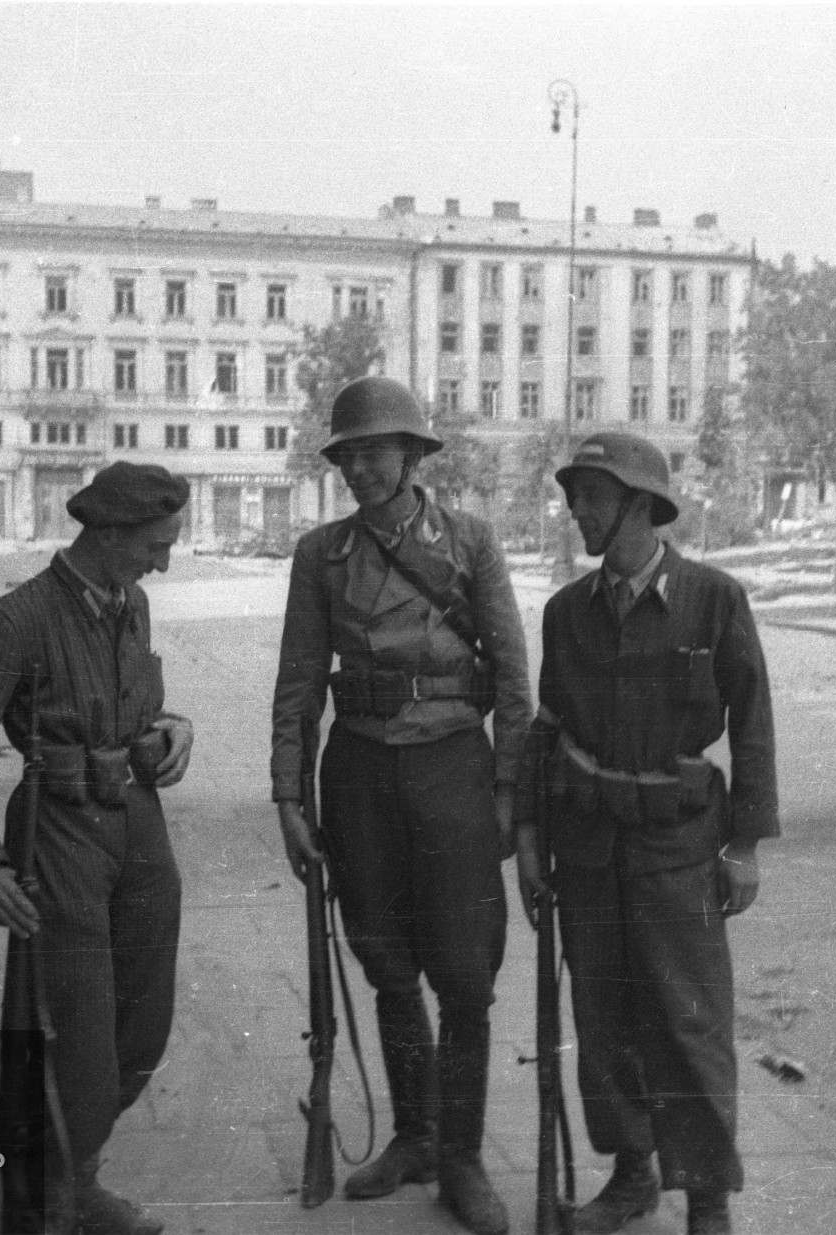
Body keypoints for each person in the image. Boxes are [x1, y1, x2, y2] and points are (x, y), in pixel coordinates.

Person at [269, 376, 530, 1235]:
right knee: (385, 960)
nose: (359, 469)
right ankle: (415, 1136)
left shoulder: (469, 540)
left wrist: (509, 788)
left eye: (375, 452)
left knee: (464, 972)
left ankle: (463, 1156)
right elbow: (299, 682)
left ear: (413, 455)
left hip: (452, 768)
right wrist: (288, 794)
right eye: (347, 456)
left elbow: (513, 674)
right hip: (361, 774)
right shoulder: (321, 553)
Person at [0, 463, 195, 1235]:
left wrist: (172, 729)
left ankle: (78, 1174)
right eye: (154, 545)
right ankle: (54, 1198)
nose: (163, 562)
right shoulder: (13, 622)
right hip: (59, 831)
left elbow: (127, 706)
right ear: (105, 534)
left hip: (137, 823)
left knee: (143, 1020)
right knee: (72, 1026)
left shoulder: (131, 603)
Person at [516, 432, 778, 1235]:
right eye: (573, 496)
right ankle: (633, 1175)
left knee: (688, 1022)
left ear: (639, 503)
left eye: (591, 496)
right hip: (589, 850)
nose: (576, 511)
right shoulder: (567, 612)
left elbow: (753, 723)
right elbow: (547, 729)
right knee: (603, 1020)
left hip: (678, 848)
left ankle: (706, 1200)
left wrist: (744, 844)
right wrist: (528, 835)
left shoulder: (712, 599)